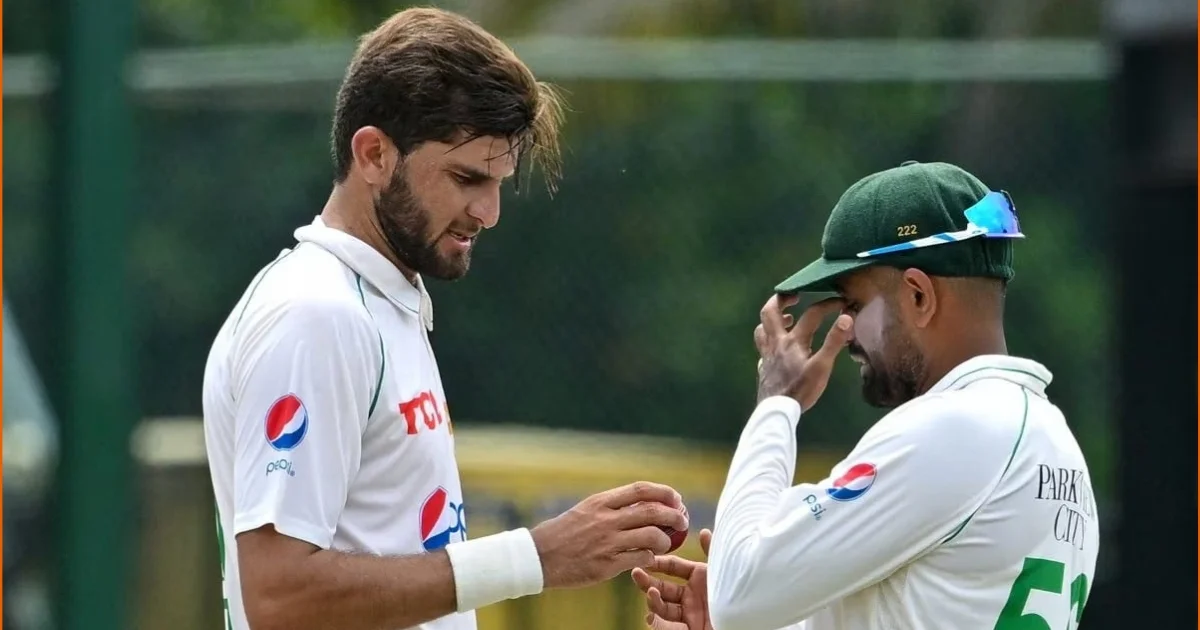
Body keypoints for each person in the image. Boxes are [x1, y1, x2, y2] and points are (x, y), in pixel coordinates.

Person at [201, 8, 688, 630]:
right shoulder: (317, 315)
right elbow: (278, 596)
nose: (489, 213)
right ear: (374, 154)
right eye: (467, 178)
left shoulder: (377, 303)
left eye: (500, 182)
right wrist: (537, 556)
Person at [631, 161, 1100, 630]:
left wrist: (776, 403)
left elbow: (738, 592)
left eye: (854, 304)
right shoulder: (1055, 445)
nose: (846, 330)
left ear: (918, 295)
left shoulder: (955, 429)